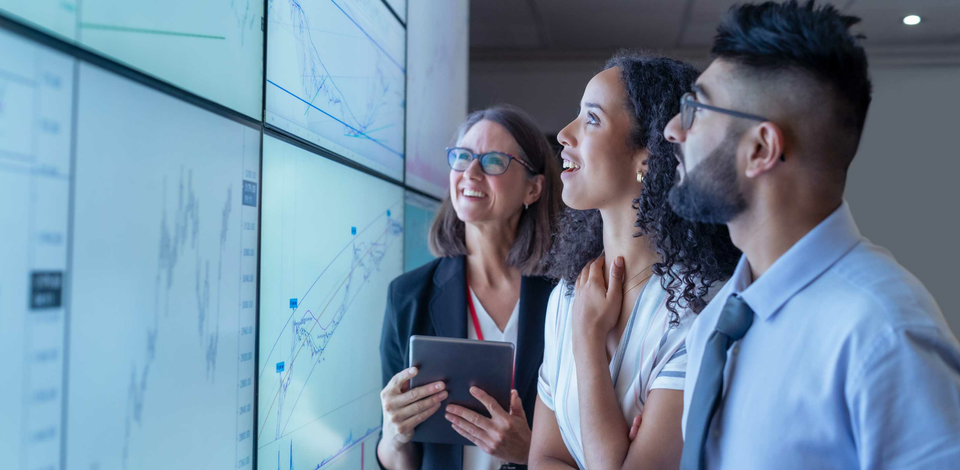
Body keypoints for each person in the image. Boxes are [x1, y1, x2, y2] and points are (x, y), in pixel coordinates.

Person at [662, 1, 960, 469]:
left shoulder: (883, 334)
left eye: (694, 107)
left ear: (760, 148)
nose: (672, 129)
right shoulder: (716, 323)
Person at [529, 51, 740, 470]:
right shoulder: (568, 295)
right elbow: (545, 457)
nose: (564, 135)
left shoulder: (701, 310)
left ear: (648, 156)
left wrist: (588, 342)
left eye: (591, 119)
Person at [377, 105, 562, 470]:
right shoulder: (408, 296)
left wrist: (529, 453)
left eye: (493, 161)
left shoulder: (566, 296)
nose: (471, 173)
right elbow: (401, 461)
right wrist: (393, 435)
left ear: (533, 188)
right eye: (462, 158)